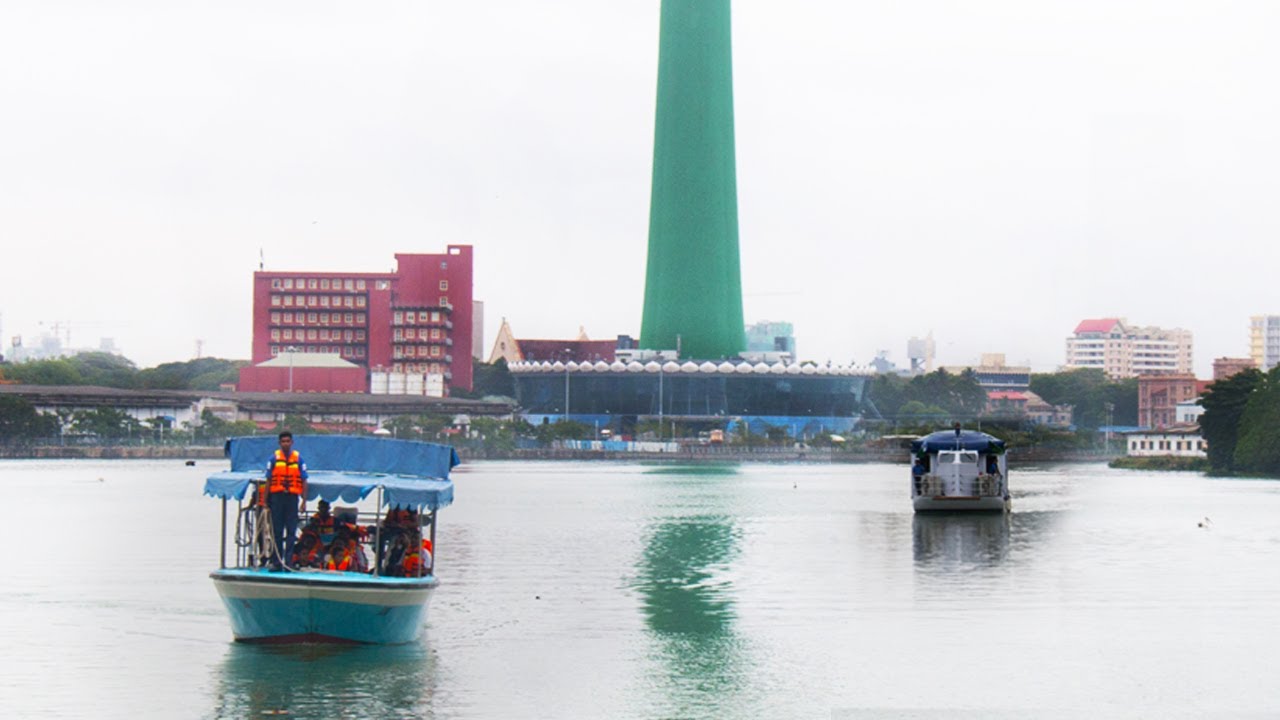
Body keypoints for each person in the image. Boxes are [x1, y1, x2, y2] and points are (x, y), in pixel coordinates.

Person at [264, 431, 308, 570]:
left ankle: (288, 562)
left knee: (291, 531)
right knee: (277, 531)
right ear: (279, 443)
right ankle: (276, 562)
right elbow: (268, 481)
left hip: (292, 498)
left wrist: (304, 501)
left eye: (288, 441)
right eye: (283, 441)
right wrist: (265, 502)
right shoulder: (273, 459)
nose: (286, 444)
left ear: (292, 442)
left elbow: (304, 480)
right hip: (277, 498)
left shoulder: (299, 459)